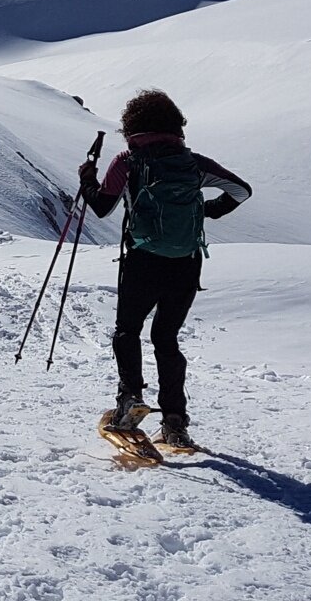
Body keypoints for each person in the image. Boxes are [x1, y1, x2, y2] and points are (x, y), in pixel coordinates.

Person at [80, 89, 252, 452]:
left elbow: (102, 207)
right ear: (176, 125)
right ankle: (174, 422)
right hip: (186, 264)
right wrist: (208, 211)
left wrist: (87, 180)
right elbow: (241, 191)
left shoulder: (127, 162)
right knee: (166, 338)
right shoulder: (195, 164)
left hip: (142, 260)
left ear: (132, 126)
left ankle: (130, 400)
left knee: (128, 330)